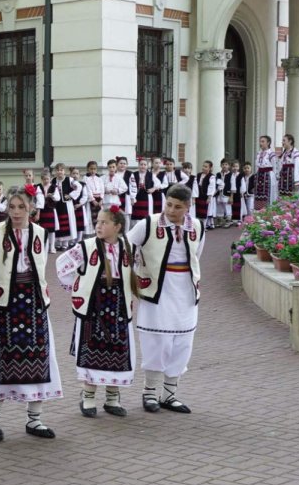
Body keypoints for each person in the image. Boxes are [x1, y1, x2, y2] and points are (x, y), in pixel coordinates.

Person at [0, 187, 61, 442]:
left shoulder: (40, 233)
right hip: (8, 304)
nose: (15, 212)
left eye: (21, 207)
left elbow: (41, 265)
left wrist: (43, 292)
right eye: (12, 207)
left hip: (34, 301)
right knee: (10, 360)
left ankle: (34, 418)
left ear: (31, 208)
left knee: (41, 357)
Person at [128, 184, 204, 414]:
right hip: (156, 291)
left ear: (188, 207)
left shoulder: (197, 226)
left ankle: (169, 394)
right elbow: (126, 247)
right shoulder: (148, 224)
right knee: (156, 342)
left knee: (182, 343)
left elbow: (196, 255)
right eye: (168, 204)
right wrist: (134, 275)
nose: (171, 210)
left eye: (177, 207)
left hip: (185, 291)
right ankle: (149, 392)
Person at [56, 206, 137, 418]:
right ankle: (88, 397)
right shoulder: (87, 246)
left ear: (117, 226)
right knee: (92, 351)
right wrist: (77, 288)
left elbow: (137, 272)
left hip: (118, 307)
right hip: (94, 308)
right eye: (98, 222)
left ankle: (112, 398)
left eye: (104, 222)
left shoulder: (127, 247)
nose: (98, 226)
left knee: (118, 351)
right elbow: (61, 265)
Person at [191, 161, 217, 229]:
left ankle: (203, 226)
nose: (203, 168)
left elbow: (211, 187)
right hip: (198, 195)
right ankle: (197, 225)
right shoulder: (199, 175)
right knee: (198, 211)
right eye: (203, 166)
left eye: (206, 167)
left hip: (205, 196)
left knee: (204, 211)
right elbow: (195, 185)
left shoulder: (211, 176)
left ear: (210, 168)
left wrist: (209, 197)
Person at [253, 136, 277, 210]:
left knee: (268, 193)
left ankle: (267, 211)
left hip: (268, 175)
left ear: (268, 142)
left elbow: (275, 167)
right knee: (258, 195)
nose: (261, 143)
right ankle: (258, 211)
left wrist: (275, 179)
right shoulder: (259, 153)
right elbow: (257, 165)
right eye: (260, 141)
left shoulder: (271, 153)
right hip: (260, 175)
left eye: (263, 141)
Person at [131, 158, 153, 225]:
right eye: (141, 164)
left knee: (145, 215)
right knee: (136, 215)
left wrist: (153, 188)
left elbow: (158, 184)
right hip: (136, 196)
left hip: (146, 196)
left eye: (145, 164)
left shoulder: (151, 174)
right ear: (138, 165)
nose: (143, 166)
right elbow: (131, 185)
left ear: (147, 166)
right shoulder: (134, 174)